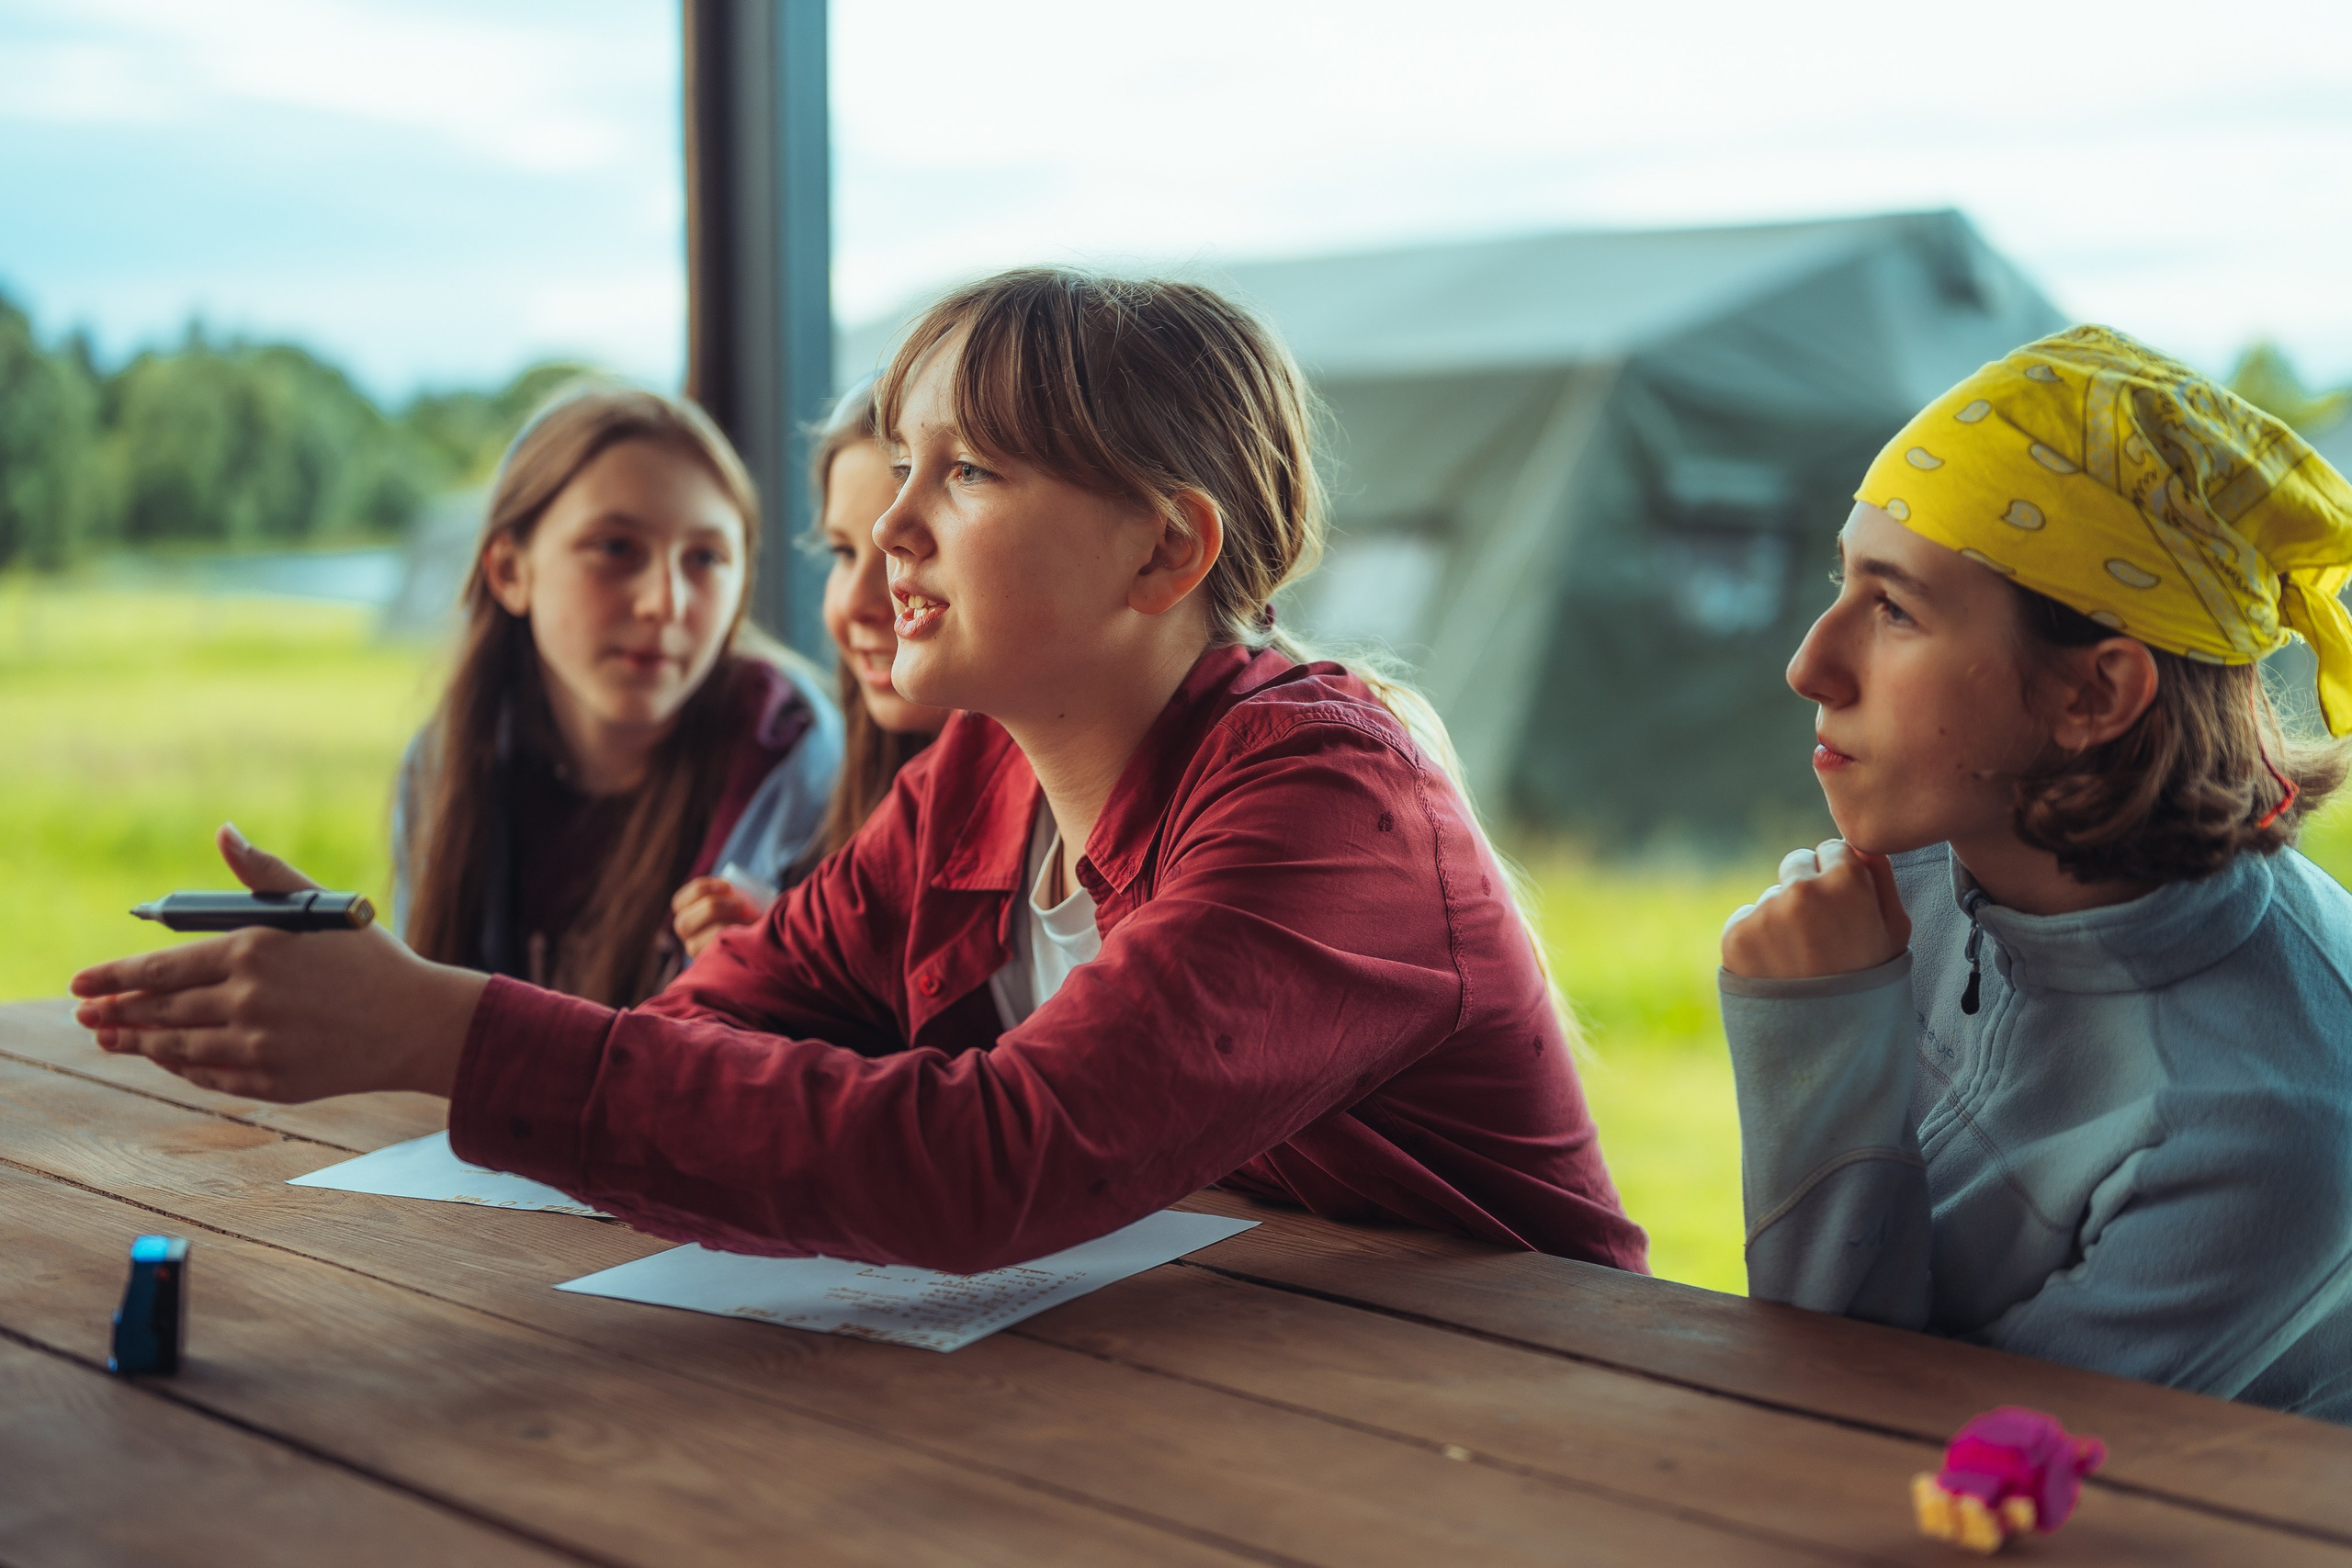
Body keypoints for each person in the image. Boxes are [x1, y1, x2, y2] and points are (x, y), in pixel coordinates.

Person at [71, 268, 1645, 1277]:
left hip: (1527, 1419)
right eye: (901, 468)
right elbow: (715, 1019)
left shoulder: (1325, 800)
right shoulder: (977, 773)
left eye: (963, 473)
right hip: (1242, 1375)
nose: (886, 537)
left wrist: (448, 1027)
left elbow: (986, 1161)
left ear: (1167, 548)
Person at [1720, 325, 2352, 1422]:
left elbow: (1900, 1455)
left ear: (2095, 696)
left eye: (1895, 609)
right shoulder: (1922, 869)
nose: (1809, 665)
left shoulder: (2258, 1123)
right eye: (1844, 582)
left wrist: (1820, 1045)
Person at [391, 382, 840, 1006]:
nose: (665, 602)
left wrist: (794, 978)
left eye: (706, 558)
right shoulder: (446, 767)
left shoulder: (802, 768)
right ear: (510, 572)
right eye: (616, 548)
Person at [669, 382, 949, 961]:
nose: (856, 602)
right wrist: (785, 953)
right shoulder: (848, 811)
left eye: (914, 551)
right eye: (843, 554)